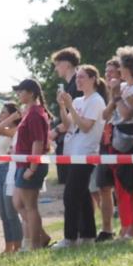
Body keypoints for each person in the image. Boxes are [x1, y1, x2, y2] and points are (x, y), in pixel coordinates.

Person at [54, 65, 107, 248]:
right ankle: (88, 235)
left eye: (82, 77)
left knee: (71, 196)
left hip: (86, 153)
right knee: (83, 196)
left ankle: (70, 237)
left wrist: (70, 107)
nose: (78, 80)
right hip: (73, 152)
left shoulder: (96, 100)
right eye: (77, 78)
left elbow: (85, 126)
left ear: (93, 79)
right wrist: (63, 107)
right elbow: (68, 125)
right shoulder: (77, 100)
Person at [106, 47, 133, 240]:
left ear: (129, 67)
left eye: (121, 66)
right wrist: (113, 95)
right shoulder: (122, 88)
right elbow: (106, 115)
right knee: (120, 186)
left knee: (132, 185)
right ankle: (124, 225)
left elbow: (127, 114)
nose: (118, 71)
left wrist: (117, 97)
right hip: (117, 137)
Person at [11, 79, 52, 251]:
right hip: (23, 164)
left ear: (31, 93)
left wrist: (32, 167)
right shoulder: (30, 112)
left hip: (30, 165)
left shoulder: (35, 114)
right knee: (20, 204)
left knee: (30, 206)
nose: (18, 94)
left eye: (21, 91)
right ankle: (42, 237)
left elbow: (38, 142)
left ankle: (36, 245)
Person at [94, 59, 121, 241]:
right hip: (105, 142)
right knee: (104, 187)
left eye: (112, 71)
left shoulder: (124, 90)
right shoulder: (103, 93)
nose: (109, 74)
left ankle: (126, 226)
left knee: (121, 186)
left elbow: (109, 114)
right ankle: (107, 229)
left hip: (120, 142)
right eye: (107, 70)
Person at [0, 102, 23, 254]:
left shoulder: (15, 130)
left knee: (11, 212)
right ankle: (8, 245)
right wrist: (2, 118)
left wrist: (9, 119)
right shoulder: (2, 130)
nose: (1, 115)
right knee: (3, 212)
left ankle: (18, 245)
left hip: (9, 169)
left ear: (12, 115)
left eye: (4, 112)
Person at [49, 47, 83, 184]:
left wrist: (55, 131)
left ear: (67, 64)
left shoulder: (77, 86)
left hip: (77, 142)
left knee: (75, 190)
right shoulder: (69, 86)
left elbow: (76, 116)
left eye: (57, 64)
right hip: (69, 141)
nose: (56, 68)